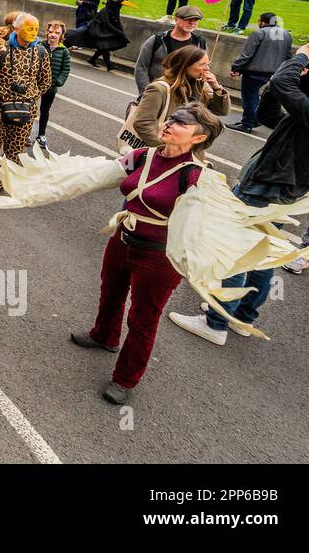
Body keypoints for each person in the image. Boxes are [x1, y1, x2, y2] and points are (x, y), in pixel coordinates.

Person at [168, 42, 309, 341]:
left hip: (265, 189)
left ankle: (215, 322)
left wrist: (299, 58)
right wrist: (276, 87)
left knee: (234, 251)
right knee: (259, 255)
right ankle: (242, 317)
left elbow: (283, 83)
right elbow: (272, 115)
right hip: (280, 192)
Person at [70, 102, 224, 405]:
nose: (168, 123)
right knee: (110, 291)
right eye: (170, 118)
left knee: (143, 318)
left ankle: (125, 378)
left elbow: (209, 226)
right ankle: (104, 336)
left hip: (159, 258)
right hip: (123, 238)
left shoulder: (197, 176)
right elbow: (95, 176)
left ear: (198, 138)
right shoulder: (142, 156)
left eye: (180, 122)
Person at [0, 13, 52, 199]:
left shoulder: (41, 52)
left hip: (25, 110)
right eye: (29, 28)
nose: (34, 32)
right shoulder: (0, 47)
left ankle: (3, 185)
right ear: (17, 29)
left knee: (15, 152)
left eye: (36, 28)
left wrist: (28, 97)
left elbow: (45, 82)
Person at [125, 46, 230, 150]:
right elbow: (142, 123)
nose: (207, 69)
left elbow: (221, 111)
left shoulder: (202, 86)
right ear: (185, 66)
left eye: (208, 64)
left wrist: (216, 88)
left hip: (188, 149)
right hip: (162, 151)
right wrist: (165, 150)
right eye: (202, 65)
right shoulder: (160, 88)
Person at [227, 12, 293, 132]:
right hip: (274, 73)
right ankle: (253, 119)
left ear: (263, 22)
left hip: (254, 72)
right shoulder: (286, 35)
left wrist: (236, 67)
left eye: (259, 21)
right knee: (255, 97)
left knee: (249, 98)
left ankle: (247, 123)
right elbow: (288, 56)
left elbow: (247, 55)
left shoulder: (259, 33)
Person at [133, 5, 207, 93]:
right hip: (159, 92)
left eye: (195, 20)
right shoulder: (157, 40)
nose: (191, 23)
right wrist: (145, 93)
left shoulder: (200, 42)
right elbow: (141, 67)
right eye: (187, 19)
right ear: (176, 19)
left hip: (185, 95)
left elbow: (203, 69)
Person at [68, 0, 129, 72]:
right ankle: (108, 65)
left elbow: (117, 22)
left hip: (103, 32)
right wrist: (118, 32)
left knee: (103, 46)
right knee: (104, 47)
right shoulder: (106, 11)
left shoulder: (114, 10)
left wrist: (121, 32)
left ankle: (93, 60)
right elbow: (107, 23)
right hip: (97, 31)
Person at [34, 21, 71, 150]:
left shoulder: (64, 51)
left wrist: (58, 81)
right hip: (36, 86)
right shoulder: (39, 46)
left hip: (51, 87)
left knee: (45, 111)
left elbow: (65, 69)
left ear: (61, 35)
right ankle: (25, 132)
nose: (53, 35)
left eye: (57, 33)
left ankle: (41, 135)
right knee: (30, 109)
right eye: (50, 32)